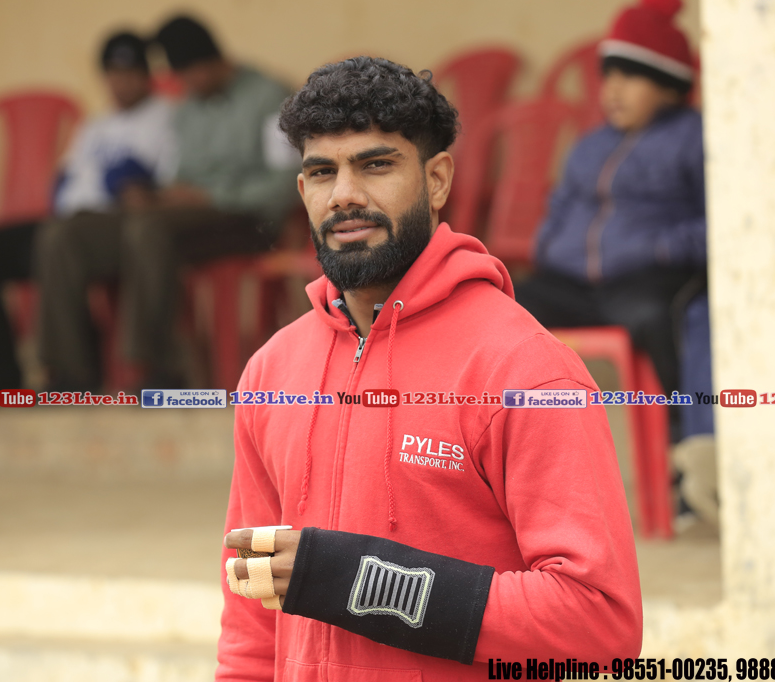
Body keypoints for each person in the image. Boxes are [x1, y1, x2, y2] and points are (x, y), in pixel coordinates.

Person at [216, 57, 641, 679]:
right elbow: (251, 623)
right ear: (303, 191)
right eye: (323, 172)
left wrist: (358, 581)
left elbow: (599, 624)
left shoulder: (525, 371)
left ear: (437, 180)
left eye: (376, 165)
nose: (344, 195)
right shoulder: (271, 371)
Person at [35, 14, 298, 390]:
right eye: (181, 76)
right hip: (184, 216)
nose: (187, 84)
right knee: (65, 234)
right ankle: (69, 371)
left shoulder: (270, 98)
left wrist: (210, 196)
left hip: (247, 220)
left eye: (192, 73)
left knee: (148, 229)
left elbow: (283, 185)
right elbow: (178, 174)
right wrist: (158, 195)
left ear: (214, 59)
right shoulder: (188, 109)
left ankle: (158, 368)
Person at [515, 0, 707, 434]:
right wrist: (549, 245)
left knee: (654, 317)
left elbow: (713, 222)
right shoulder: (591, 144)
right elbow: (561, 204)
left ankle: (683, 439)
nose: (614, 90)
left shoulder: (692, 139)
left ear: (669, 87)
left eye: (632, 77)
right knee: (505, 308)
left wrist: (661, 248)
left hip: (647, 278)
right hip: (574, 283)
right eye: (609, 76)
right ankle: (513, 435)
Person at [0, 30, 177, 394]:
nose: (121, 81)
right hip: (68, 220)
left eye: (131, 72)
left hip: (113, 224)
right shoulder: (96, 124)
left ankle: (70, 372)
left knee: (59, 239)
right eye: (113, 73)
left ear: (147, 75)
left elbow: (153, 188)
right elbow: (65, 178)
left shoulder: (167, 117)